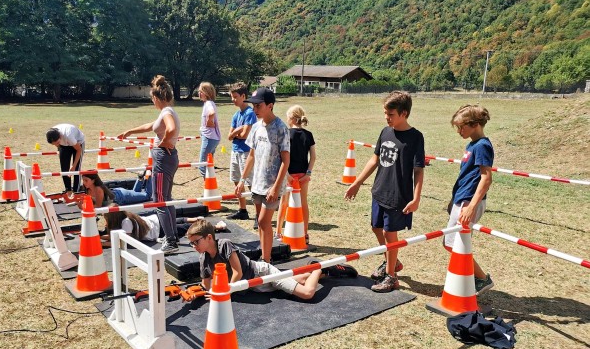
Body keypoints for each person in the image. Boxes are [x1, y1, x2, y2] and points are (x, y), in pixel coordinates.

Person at [344, 91, 425, 293]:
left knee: (390, 234)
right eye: (385, 114)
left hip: (398, 196)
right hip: (379, 190)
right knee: (376, 227)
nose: (387, 118)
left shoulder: (415, 137)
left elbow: (418, 170)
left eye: (391, 114)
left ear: (404, 113)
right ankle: (392, 262)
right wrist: (357, 182)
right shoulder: (385, 131)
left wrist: (416, 198)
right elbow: (374, 159)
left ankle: (391, 276)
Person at [187, 219, 357, 299]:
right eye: (191, 243)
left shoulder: (224, 244)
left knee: (307, 294)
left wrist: (226, 291)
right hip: (255, 286)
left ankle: (318, 267)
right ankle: (319, 273)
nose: (194, 246)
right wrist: (197, 293)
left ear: (209, 238)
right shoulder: (204, 258)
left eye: (196, 242)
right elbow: (206, 285)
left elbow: (237, 272)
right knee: (300, 280)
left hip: (262, 273)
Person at [117, 75, 181, 254]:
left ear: (156, 98)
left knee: (159, 200)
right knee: (166, 199)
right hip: (168, 158)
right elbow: (151, 125)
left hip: (163, 159)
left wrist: (162, 144)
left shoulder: (166, 113)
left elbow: (170, 129)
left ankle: (171, 241)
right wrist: (130, 131)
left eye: (152, 99)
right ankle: (172, 235)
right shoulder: (168, 111)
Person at [444, 104, 494, 295]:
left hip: (469, 203)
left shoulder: (482, 146)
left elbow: (486, 178)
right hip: (461, 199)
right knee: (450, 244)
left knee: (455, 244)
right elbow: (466, 175)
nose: (458, 131)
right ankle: (471, 279)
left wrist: (471, 206)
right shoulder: (472, 145)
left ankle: (480, 279)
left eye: (461, 127)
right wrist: (453, 199)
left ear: (474, 124)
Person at [235, 88, 290, 263]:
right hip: (257, 182)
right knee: (261, 223)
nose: (255, 109)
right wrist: (242, 180)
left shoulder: (281, 128)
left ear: (270, 106)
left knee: (264, 222)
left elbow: (285, 161)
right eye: (253, 105)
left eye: (258, 105)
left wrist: (275, 187)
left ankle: (266, 261)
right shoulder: (256, 127)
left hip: (272, 185)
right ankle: (264, 254)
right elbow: (251, 155)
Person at [275, 105, 316, 242]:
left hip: (289, 174)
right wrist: (308, 174)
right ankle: (305, 233)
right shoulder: (308, 135)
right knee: (303, 203)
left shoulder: (286, 133)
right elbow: (313, 157)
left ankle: (278, 232)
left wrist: (286, 174)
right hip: (303, 175)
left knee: (284, 203)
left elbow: (281, 156)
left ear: (291, 118)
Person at [226, 82, 258, 228]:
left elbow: (245, 135)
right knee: (236, 180)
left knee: (251, 183)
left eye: (235, 97)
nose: (233, 99)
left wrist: (237, 132)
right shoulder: (236, 114)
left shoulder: (250, 113)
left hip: (246, 152)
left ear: (243, 96)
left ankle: (259, 214)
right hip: (235, 151)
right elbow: (229, 136)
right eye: (231, 97)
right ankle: (242, 210)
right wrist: (237, 130)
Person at [102, 211, 226, 248]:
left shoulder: (126, 223)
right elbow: (116, 237)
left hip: (158, 230)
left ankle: (216, 227)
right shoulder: (126, 217)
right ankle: (196, 218)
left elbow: (122, 241)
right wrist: (100, 237)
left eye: (106, 219)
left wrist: (101, 243)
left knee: (184, 228)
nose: (105, 223)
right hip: (155, 220)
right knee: (178, 220)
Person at [46, 124, 85, 193]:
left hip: (78, 143)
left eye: (57, 143)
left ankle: (76, 190)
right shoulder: (51, 133)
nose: (56, 145)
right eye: (54, 144)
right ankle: (68, 190)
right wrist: (59, 148)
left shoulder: (69, 136)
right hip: (64, 145)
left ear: (60, 136)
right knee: (64, 168)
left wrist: (73, 165)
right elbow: (58, 144)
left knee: (76, 169)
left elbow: (79, 150)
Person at [198, 82, 221, 178]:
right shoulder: (209, 103)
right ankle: (210, 190)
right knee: (209, 163)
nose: (199, 94)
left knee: (202, 165)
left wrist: (209, 121)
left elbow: (211, 113)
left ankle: (208, 188)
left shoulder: (208, 104)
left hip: (209, 138)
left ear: (206, 93)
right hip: (213, 138)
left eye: (201, 92)